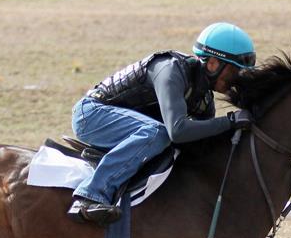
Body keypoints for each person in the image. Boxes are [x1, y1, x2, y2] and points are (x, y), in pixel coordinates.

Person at [67, 22, 257, 225]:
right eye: (235, 71)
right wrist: (230, 122)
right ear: (212, 63)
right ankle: (91, 195)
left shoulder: (204, 100)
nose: (237, 80)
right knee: (159, 133)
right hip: (91, 115)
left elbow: (199, 142)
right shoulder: (170, 69)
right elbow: (177, 131)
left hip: (125, 126)